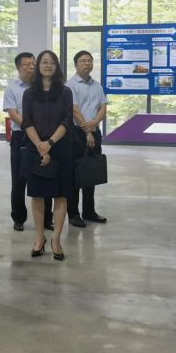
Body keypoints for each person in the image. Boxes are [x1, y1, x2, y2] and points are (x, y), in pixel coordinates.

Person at [21, 50, 73, 262]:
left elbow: (67, 121)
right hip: (35, 147)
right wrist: (40, 146)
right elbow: (26, 122)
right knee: (38, 195)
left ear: (57, 66)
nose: (48, 65)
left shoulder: (65, 92)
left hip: (60, 147)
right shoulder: (29, 94)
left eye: (52, 62)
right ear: (38, 66)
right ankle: (40, 238)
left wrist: (50, 143)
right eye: (44, 62)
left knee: (61, 195)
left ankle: (56, 240)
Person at [3, 53, 54, 231]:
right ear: (18, 67)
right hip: (21, 137)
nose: (32, 67)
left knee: (45, 176)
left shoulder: (44, 86)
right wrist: (30, 128)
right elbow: (13, 114)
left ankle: (47, 218)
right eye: (27, 64)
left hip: (44, 137)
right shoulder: (12, 89)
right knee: (19, 179)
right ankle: (18, 218)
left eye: (33, 63)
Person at [66, 50, 108, 227]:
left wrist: (95, 124)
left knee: (92, 171)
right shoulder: (70, 85)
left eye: (89, 60)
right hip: (77, 133)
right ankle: (73, 213)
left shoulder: (97, 85)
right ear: (76, 64)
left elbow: (103, 106)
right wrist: (87, 132)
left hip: (94, 132)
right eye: (83, 61)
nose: (87, 63)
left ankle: (89, 211)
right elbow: (74, 111)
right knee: (75, 173)